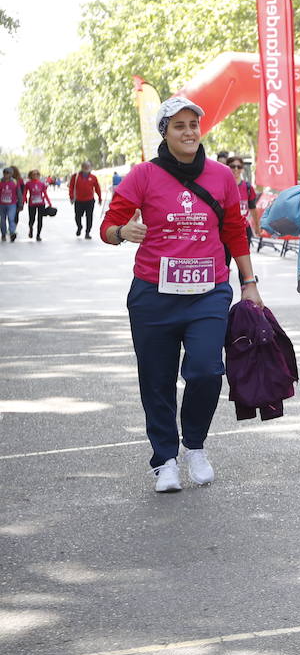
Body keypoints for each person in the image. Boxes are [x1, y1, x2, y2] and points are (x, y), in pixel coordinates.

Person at [99, 96, 264, 493]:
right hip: (153, 295)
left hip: (207, 293)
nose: (189, 132)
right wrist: (123, 233)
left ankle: (194, 445)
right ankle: (165, 460)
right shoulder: (143, 175)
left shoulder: (222, 176)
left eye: (194, 125)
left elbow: (234, 232)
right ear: (165, 133)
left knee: (207, 369)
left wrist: (249, 282)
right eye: (179, 126)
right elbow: (107, 227)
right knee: (156, 380)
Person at [227, 157, 260, 241]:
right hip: (226, 230)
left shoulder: (248, 188)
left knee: (244, 254)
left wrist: (257, 227)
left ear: (242, 169)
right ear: (227, 167)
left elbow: (253, 209)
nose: (236, 169)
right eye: (233, 166)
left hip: (244, 229)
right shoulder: (223, 186)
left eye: (239, 167)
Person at [69, 161, 103, 239]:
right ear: (82, 167)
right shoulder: (75, 176)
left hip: (89, 200)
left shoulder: (93, 177)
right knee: (77, 216)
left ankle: (87, 232)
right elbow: (71, 187)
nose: (86, 168)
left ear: (90, 167)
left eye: (88, 167)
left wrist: (100, 198)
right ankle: (79, 227)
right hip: (79, 200)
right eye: (85, 166)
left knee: (89, 217)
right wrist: (71, 197)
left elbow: (97, 188)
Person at [22, 170, 50, 240]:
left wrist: (49, 202)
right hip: (32, 203)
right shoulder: (28, 184)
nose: (35, 175)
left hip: (41, 203)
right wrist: (24, 200)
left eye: (37, 174)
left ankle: (38, 235)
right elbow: (25, 192)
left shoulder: (41, 184)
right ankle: (31, 229)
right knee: (32, 218)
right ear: (30, 175)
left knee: (40, 219)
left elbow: (45, 193)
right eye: (34, 174)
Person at [0, 166, 20, 242]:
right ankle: (3, 233)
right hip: (2, 204)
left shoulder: (14, 182)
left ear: (11, 174)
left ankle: (12, 233)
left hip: (12, 204)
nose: (6, 175)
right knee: (2, 220)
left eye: (8, 173)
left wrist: (20, 204)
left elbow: (19, 193)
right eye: (5, 173)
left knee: (11, 218)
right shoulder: (1, 182)